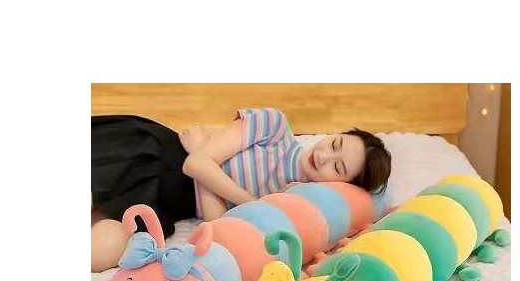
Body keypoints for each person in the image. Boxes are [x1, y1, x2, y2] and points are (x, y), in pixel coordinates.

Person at [91, 107, 392, 272]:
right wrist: (248, 201)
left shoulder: (288, 202)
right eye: (335, 143)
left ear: (339, 186)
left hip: (167, 202)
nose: (324, 156)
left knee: (111, 244)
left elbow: (217, 226)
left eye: (337, 168)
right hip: (155, 156)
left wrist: (205, 161)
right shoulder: (273, 126)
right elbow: (193, 164)